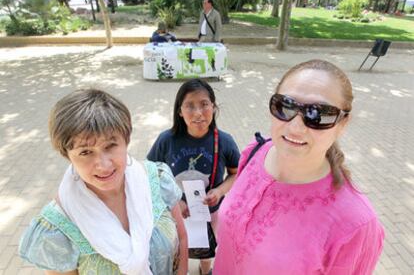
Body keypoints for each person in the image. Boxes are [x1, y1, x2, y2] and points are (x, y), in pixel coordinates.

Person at [213, 60, 385, 274]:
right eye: (285, 106)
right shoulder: (255, 152)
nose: (295, 127)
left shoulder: (356, 225)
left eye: (318, 114)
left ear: (343, 123)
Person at [19, 89, 188, 275]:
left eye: (110, 146)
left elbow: (181, 237)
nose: (103, 165)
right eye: (85, 152)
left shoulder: (157, 180)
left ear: (126, 140)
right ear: (67, 155)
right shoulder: (59, 227)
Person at [147, 79, 240, 275]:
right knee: (176, 249)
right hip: (175, 213)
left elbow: (236, 173)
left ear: (213, 107)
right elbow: (150, 172)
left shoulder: (224, 141)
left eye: (204, 104)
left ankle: (204, 270)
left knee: (207, 252)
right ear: (179, 111)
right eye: (190, 106)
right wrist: (174, 201)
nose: (198, 112)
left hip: (210, 212)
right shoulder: (167, 140)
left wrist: (220, 191)